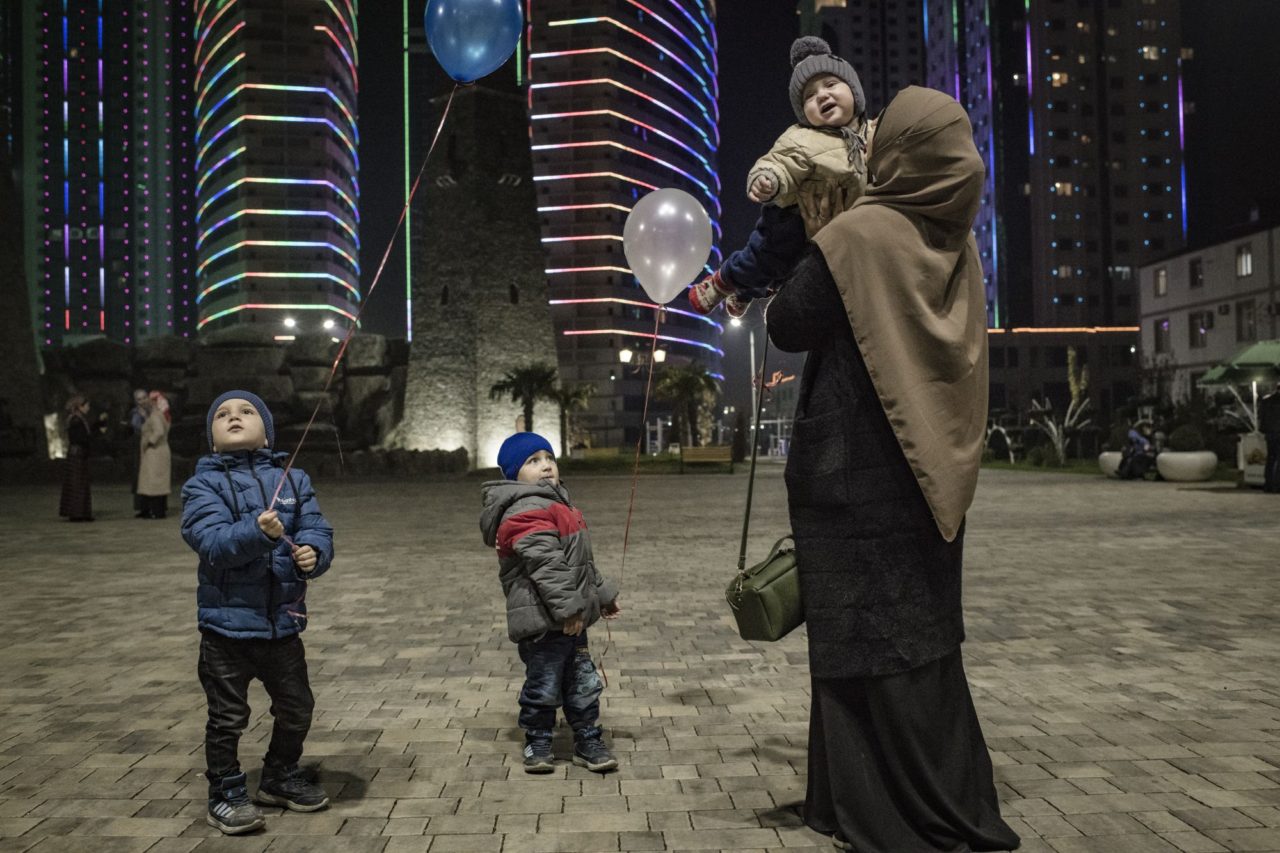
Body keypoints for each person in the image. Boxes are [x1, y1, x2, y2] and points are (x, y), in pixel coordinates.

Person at [766, 86, 1021, 852]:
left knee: (861, 637)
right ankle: (932, 793)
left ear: (904, 154)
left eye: (884, 135)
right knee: (920, 636)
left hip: (855, 472)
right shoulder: (955, 242)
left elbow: (787, 320)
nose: (870, 140)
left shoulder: (862, 233)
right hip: (929, 472)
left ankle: (882, 807)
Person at [180, 390, 334, 834]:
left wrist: (314, 553)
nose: (234, 417)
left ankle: (279, 775)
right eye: (222, 414)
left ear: (267, 434)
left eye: (247, 412)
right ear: (212, 439)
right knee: (228, 718)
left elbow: (316, 527)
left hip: (282, 626)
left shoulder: (294, 479)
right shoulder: (202, 485)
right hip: (226, 631)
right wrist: (256, 532)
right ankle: (225, 791)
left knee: (298, 707)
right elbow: (212, 542)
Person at [688, 36, 871, 318]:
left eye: (831, 84)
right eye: (809, 96)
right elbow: (780, 162)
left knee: (785, 273)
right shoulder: (802, 137)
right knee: (766, 258)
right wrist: (768, 179)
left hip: (840, 231)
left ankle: (746, 291)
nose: (822, 95)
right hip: (790, 218)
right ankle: (723, 281)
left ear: (854, 91)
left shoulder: (872, 134)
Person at [479, 432, 623, 774]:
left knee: (582, 682)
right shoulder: (524, 511)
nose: (546, 466)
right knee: (543, 684)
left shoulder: (558, 505)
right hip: (543, 620)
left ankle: (587, 738)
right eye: (533, 461)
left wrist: (602, 595)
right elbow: (547, 567)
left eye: (549, 458)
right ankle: (538, 739)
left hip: (570, 618)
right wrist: (570, 610)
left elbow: (580, 563)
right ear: (514, 474)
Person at [58, 395, 97, 522]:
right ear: (80, 406)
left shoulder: (79, 419)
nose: (88, 408)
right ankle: (77, 513)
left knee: (81, 483)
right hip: (77, 454)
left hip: (79, 453)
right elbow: (78, 438)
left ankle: (81, 512)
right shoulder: (76, 420)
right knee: (77, 484)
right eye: (87, 405)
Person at [136, 391, 172, 519]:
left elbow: (159, 431)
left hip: (155, 452)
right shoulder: (160, 415)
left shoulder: (155, 415)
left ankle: (156, 511)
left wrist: (150, 442)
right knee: (155, 482)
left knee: (154, 483)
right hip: (158, 452)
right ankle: (152, 509)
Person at [127, 388, 148, 515]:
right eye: (139, 399)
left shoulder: (152, 411)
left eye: (144, 398)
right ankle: (141, 506)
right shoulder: (134, 413)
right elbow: (134, 428)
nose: (142, 401)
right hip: (138, 444)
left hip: (149, 444)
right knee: (139, 475)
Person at [1260, 382, 1280, 492]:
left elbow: (1262, 418)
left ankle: (1268, 484)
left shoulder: (1266, 401)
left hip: (1270, 434)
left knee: (1270, 459)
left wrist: (1264, 430)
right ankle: (1277, 485)